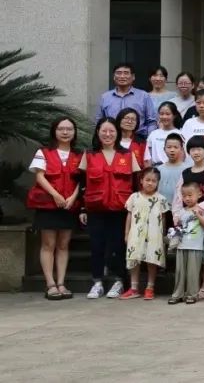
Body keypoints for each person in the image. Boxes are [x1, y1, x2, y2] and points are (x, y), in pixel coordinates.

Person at [80, 118, 142, 299]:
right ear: (98, 132)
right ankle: (97, 282)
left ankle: (119, 281)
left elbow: (136, 185)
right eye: (104, 131)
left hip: (120, 210)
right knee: (96, 245)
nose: (108, 135)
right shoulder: (89, 155)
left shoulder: (127, 155)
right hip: (95, 209)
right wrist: (83, 209)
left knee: (118, 246)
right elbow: (83, 183)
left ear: (117, 133)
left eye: (111, 131)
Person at [26, 117, 82, 300]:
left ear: (74, 132)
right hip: (48, 205)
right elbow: (40, 176)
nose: (65, 132)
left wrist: (73, 198)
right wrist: (56, 195)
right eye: (61, 129)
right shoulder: (43, 152)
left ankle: (61, 283)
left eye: (69, 129)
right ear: (54, 131)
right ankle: (50, 284)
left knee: (63, 245)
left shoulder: (79, 155)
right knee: (48, 244)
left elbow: (81, 180)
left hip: (69, 206)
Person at [174, 135, 204, 301]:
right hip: (187, 222)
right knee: (190, 254)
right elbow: (178, 196)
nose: (196, 152)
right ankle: (188, 288)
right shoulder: (185, 173)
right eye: (193, 149)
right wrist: (177, 215)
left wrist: (199, 207)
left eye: (199, 149)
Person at [120, 168, 166, 301]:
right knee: (134, 259)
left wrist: (162, 235)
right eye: (147, 180)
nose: (150, 183)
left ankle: (150, 287)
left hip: (154, 235)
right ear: (141, 180)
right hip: (136, 234)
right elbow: (129, 216)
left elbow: (163, 218)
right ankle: (134, 288)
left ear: (158, 183)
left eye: (154, 181)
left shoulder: (161, 199)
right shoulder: (134, 197)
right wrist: (126, 233)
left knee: (152, 260)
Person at [168, 182, 204, 305]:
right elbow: (178, 227)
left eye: (190, 195)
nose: (187, 198)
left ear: (199, 194)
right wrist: (177, 222)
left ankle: (192, 294)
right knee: (180, 272)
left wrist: (198, 215)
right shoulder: (181, 211)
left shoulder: (203, 210)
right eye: (184, 196)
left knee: (193, 272)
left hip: (196, 247)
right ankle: (177, 294)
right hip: (181, 245)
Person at [95, 62, 156, 134]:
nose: (122, 76)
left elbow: (151, 121)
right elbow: (99, 121)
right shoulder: (105, 97)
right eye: (118, 73)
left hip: (138, 137)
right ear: (114, 77)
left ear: (133, 77)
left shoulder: (144, 96)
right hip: (112, 137)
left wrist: (149, 138)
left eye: (126, 73)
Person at [153, 133, 187, 224]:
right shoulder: (159, 169)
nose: (172, 150)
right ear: (164, 149)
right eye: (169, 147)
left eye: (176, 147)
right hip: (161, 209)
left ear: (182, 149)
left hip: (179, 210)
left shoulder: (187, 170)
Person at [145, 102, 184, 166]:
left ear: (174, 115)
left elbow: (183, 156)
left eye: (168, 114)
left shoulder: (180, 134)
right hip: (156, 168)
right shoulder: (153, 134)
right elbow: (148, 156)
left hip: (174, 167)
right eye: (161, 114)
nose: (164, 117)